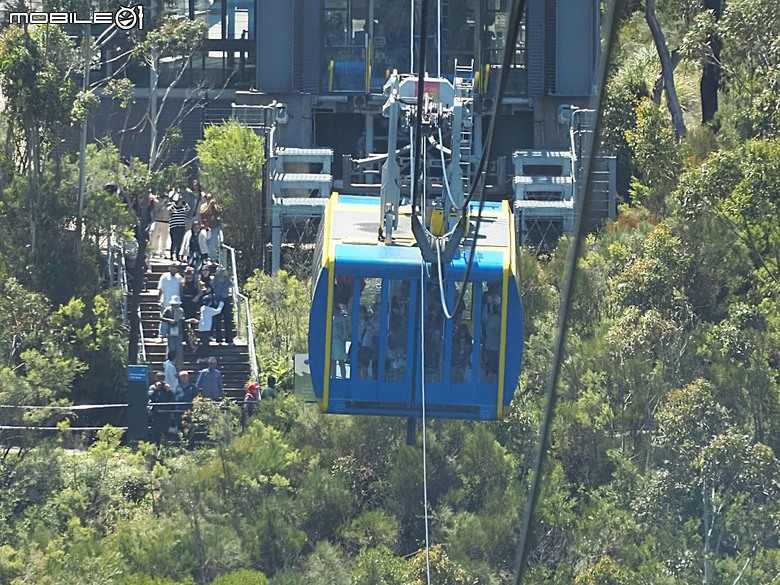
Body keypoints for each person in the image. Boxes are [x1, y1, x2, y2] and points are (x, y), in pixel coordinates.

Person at [157, 263, 182, 339]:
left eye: (175, 268)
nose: (174, 269)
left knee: (175, 320)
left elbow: (181, 291)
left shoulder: (179, 278)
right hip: (165, 301)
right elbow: (160, 290)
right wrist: (159, 301)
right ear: (169, 268)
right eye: (172, 267)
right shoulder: (164, 277)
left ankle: (174, 335)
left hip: (176, 303)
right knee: (164, 319)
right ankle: (162, 336)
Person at [148, 372, 175, 442]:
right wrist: (156, 389)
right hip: (157, 411)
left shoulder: (167, 387)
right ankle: (156, 444)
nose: (161, 380)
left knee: (166, 429)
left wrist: (169, 390)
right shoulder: (152, 387)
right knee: (157, 430)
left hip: (166, 411)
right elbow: (151, 397)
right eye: (159, 378)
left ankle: (167, 444)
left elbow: (172, 398)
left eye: (162, 378)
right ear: (156, 379)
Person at [160, 296, 186, 367]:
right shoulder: (168, 310)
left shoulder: (181, 310)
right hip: (171, 332)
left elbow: (183, 320)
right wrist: (171, 321)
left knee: (179, 350)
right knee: (171, 349)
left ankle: (179, 366)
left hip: (179, 332)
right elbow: (162, 318)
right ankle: (169, 364)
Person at [211, 266, 234, 344]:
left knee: (227, 319)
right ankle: (218, 338)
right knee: (218, 319)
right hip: (218, 299)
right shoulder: (215, 279)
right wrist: (215, 276)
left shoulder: (227, 280)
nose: (221, 274)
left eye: (222, 272)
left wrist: (226, 276)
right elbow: (212, 285)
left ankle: (229, 338)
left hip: (226, 299)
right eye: (219, 272)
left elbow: (231, 284)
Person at [199, 193, 223, 260]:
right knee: (206, 244)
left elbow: (220, 211)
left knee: (212, 245)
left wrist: (215, 205)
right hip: (206, 228)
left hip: (214, 227)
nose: (209, 200)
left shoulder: (215, 206)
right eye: (208, 198)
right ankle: (206, 258)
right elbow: (202, 213)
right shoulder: (203, 206)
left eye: (210, 198)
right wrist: (209, 206)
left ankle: (213, 259)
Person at [168, 195, 190, 261]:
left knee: (180, 242)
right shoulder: (173, 207)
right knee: (174, 242)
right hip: (174, 227)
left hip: (181, 227)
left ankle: (178, 256)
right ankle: (171, 255)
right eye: (179, 200)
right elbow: (169, 210)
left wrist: (184, 203)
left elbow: (188, 209)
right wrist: (176, 204)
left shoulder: (183, 208)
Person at [149, 192, 171, 257]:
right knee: (154, 237)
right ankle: (153, 251)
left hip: (166, 221)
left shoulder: (169, 201)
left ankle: (163, 252)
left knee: (164, 238)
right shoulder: (155, 201)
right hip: (157, 220)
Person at [331, 303, 349, 379]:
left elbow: (345, 330)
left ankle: (343, 377)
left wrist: (343, 340)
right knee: (333, 361)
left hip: (339, 341)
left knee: (341, 361)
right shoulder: (332, 318)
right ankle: (333, 377)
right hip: (333, 340)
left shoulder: (343, 319)